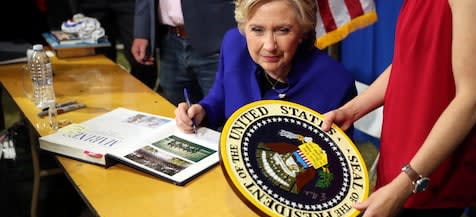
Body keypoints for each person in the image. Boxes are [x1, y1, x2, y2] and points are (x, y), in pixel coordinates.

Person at [321, 0, 476, 217]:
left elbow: (472, 98)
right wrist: (353, 110)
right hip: (405, 153)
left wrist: (404, 184)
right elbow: (411, 61)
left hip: (432, 166)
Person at [175, 0, 357, 133]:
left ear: (303, 31)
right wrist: (202, 111)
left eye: (283, 30)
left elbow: (336, 165)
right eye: (257, 30)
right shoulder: (233, 45)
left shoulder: (335, 82)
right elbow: (220, 97)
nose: (269, 45)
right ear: (244, 27)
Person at [132, 0, 237, 105]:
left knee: (222, 109)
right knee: (178, 111)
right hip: (169, 39)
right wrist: (143, 31)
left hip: (218, 38)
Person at [72, 0, 158, 89]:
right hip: (90, 5)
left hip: (132, 4)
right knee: (97, 64)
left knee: (142, 59)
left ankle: (143, 99)